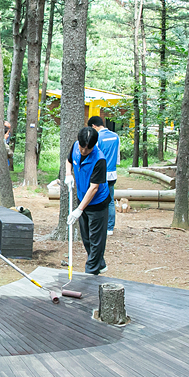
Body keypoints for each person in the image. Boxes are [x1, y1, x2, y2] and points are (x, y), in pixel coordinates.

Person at [68, 127, 110, 275]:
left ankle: (90, 273)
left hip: (97, 203)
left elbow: (94, 188)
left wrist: (79, 210)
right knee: (86, 238)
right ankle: (100, 263)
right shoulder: (75, 146)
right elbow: (69, 161)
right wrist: (68, 175)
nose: (84, 151)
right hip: (82, 198)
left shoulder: (99, 159)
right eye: (82, 147)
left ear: (94, 145)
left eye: (88, 149)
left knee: (96, 239)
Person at [88, 115, 120, 235]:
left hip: (100, 174)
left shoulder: (97, 137)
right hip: (112, 173)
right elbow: (117, 156)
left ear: (93, 126)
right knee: (110, 200)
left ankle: (98, 225)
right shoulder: (115, 136)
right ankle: (110, 227)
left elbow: (94, 156)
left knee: (97, 199)